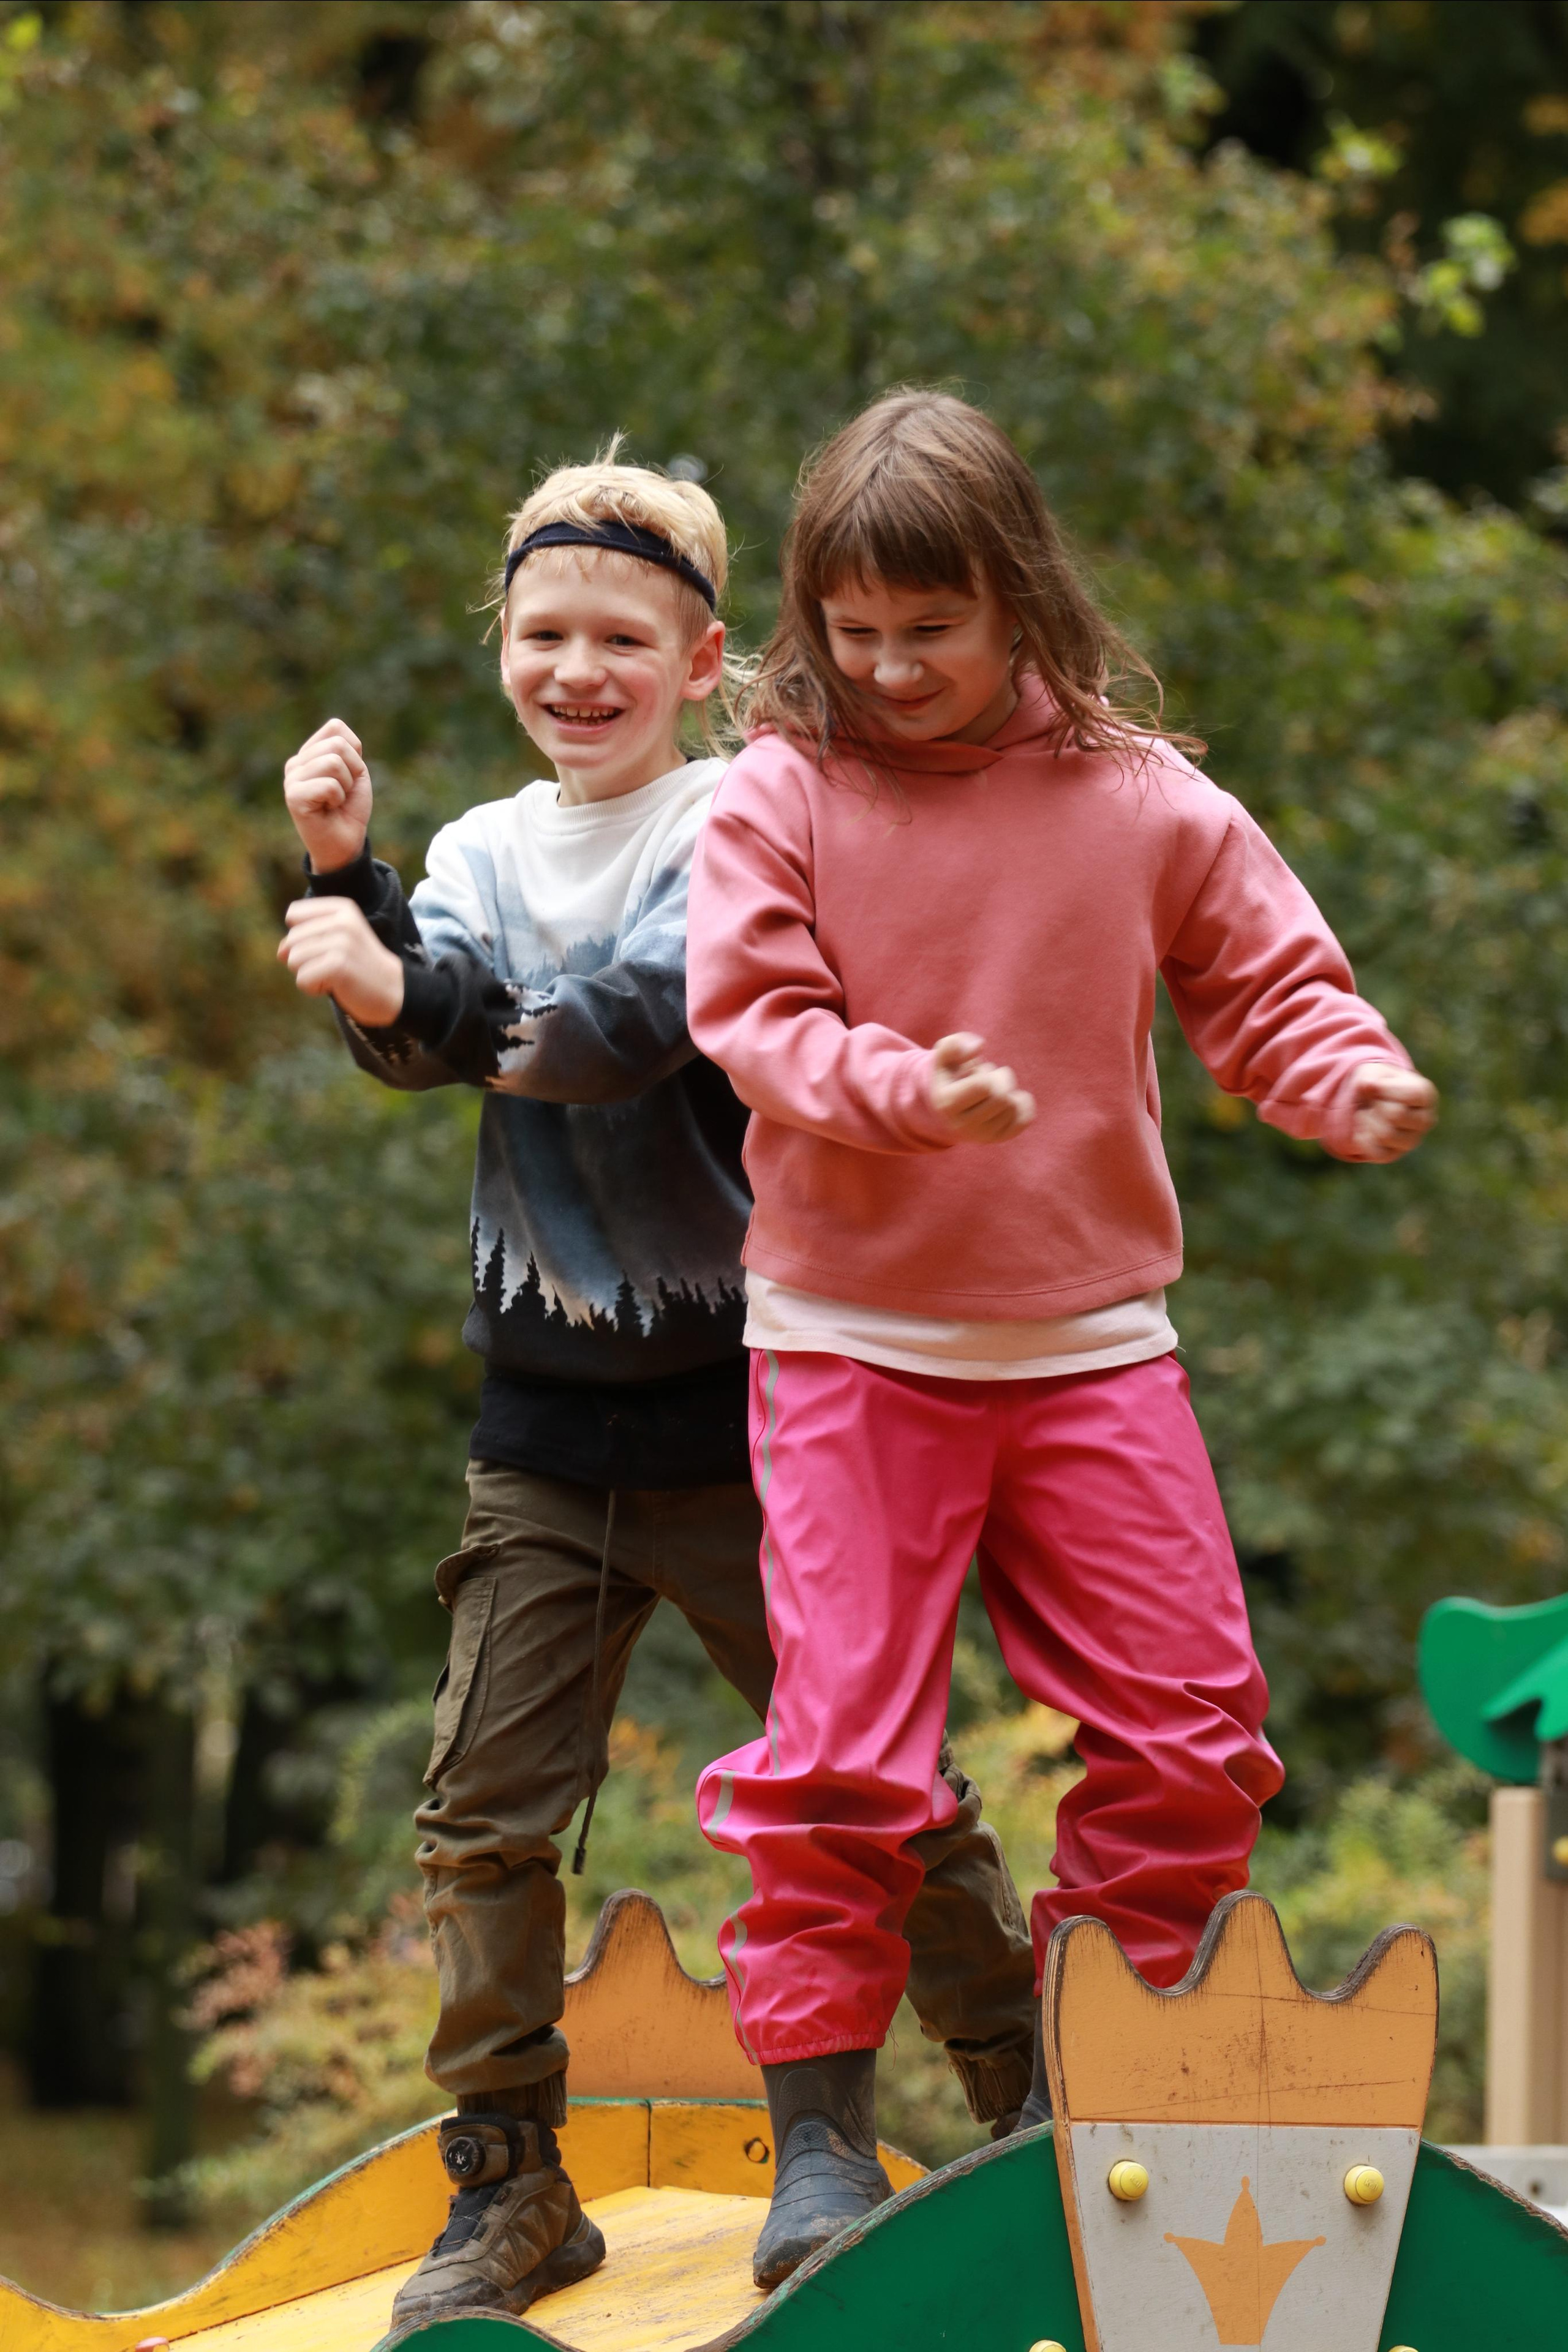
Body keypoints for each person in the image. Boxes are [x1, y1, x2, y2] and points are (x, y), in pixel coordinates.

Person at [684, 390, 1440, 2288]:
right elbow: (750, 1011)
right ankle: (822, 2148)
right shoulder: (785, 786)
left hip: (1091, 1345)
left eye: (926, 631)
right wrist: (893, 1090)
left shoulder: (1140, 795)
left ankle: (1078, 2099)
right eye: (852, 631)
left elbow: (1270, 979)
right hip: (850, 1342)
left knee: (1191, 1738)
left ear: (1017, 596)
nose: (887, 667)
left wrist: (1340, 1080)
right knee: (846, 1752)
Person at [275, 457, 1037, 2330]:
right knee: (481, 1813)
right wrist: (350, 895)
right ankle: (513, 2181)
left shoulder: (744, 824)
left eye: (623, 638)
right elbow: (426, 1020)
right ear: (504, 651)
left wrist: (407, 993)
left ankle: (1030, 2101)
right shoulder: (472, 849)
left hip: (751, 1413)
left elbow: (623, 1028)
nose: (579, 669)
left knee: (871, 1785)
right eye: (545, 635)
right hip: (544, 1429)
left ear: (705, 659)